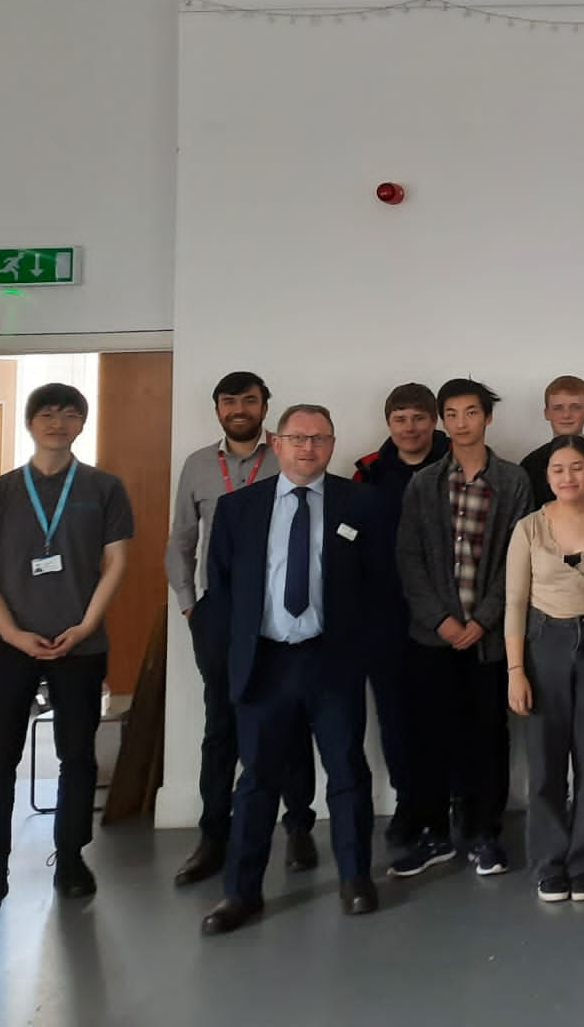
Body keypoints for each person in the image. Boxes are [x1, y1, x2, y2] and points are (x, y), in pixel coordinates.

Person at [199, 405, 395, 934]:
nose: (308, 448)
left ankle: (355, 878)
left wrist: (361, 652)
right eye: (297, 438)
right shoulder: (238, 508)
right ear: (277, 442)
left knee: (348, 773)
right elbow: (219, 591)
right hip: (265, 662)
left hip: (331, 660)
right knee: (257, 780)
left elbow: (381, 587)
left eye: (320, 439)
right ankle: (241, 893)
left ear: (332, 445)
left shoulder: (362, 504)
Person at [0, 383, 133, 921]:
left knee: (76, 755)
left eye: (70, 414)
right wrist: (10, 633)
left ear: (83, 423)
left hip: (80, 645)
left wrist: (84, 627)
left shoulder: (103, 487)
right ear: (31, 423)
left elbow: (117, 564)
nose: (58, 422)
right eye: (48, 413)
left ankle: (73, 859)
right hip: (11, 645)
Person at [167, 371, 315, 886]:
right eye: (229, 401)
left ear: (264, 407)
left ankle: (299, 827)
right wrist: (193, 607)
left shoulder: (290, 455)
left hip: (284, 619)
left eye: (249, 401)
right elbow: (180, 542)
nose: (239, 408)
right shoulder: (198, 467)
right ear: (217, 410)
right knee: (221, 729)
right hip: (223, 619)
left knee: (290, 725)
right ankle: (213, 836)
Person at [390, 379, 532, 881]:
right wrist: (442, 620)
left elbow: (517, 562)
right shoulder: (424, 483)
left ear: (486, 418)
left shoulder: (513, 481)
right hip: (433, 637)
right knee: (428, 736)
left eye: (471, 412)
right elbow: (408, 557)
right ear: (442, 421)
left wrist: (482, 621)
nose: (461, 422)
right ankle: (432, 835)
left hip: (487, 638)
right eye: (451, 414)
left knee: (487, 738)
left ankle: (483, 834)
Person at [506, 435, 584, 902]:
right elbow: (514, 601)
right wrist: (516, 669)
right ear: (546, 476)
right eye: (557, 469)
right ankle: (550, 860)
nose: (567, 477)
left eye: (576, 468)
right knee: (546, 757)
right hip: (541, 644)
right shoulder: (529, 528)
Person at [350, 382, 449, 848]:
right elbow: (347, 543)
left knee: (444, 715)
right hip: (384, 618)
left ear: (435, 421)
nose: (410, 427)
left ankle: (445, 809)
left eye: (419, 417)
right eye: (400, 418)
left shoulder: (459, 463)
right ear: (389, 423)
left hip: (449, 616)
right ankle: (410, 804)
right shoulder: (367, 473)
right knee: (395, 718)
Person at [521, 375, 584, 509]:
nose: (566, 415)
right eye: (558, 408)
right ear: (546, 413)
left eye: (575, 407)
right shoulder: (531, 464)